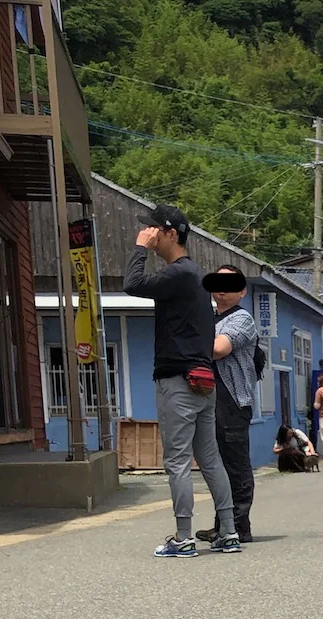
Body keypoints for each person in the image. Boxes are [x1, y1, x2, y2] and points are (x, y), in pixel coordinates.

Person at [123, 204, 240, 558]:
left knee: (177, 460)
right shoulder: (197, 277)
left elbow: (132, 284)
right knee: (210, 458)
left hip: (177, 380)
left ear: (171, 234)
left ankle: (184, 538)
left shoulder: (179, 273)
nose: (149, 233)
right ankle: (228, 532)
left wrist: (140, 248)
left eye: (154, 229)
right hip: (203, 381)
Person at [196, 266, 257, 543]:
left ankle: (239, 526)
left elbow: (218, 349)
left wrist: (189, 344)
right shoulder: (208, 318)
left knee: (235, 464)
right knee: (216, 463)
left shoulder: (242, 318)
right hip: (208, 398)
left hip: (233, 400)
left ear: (242, 291)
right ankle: (223, 524)